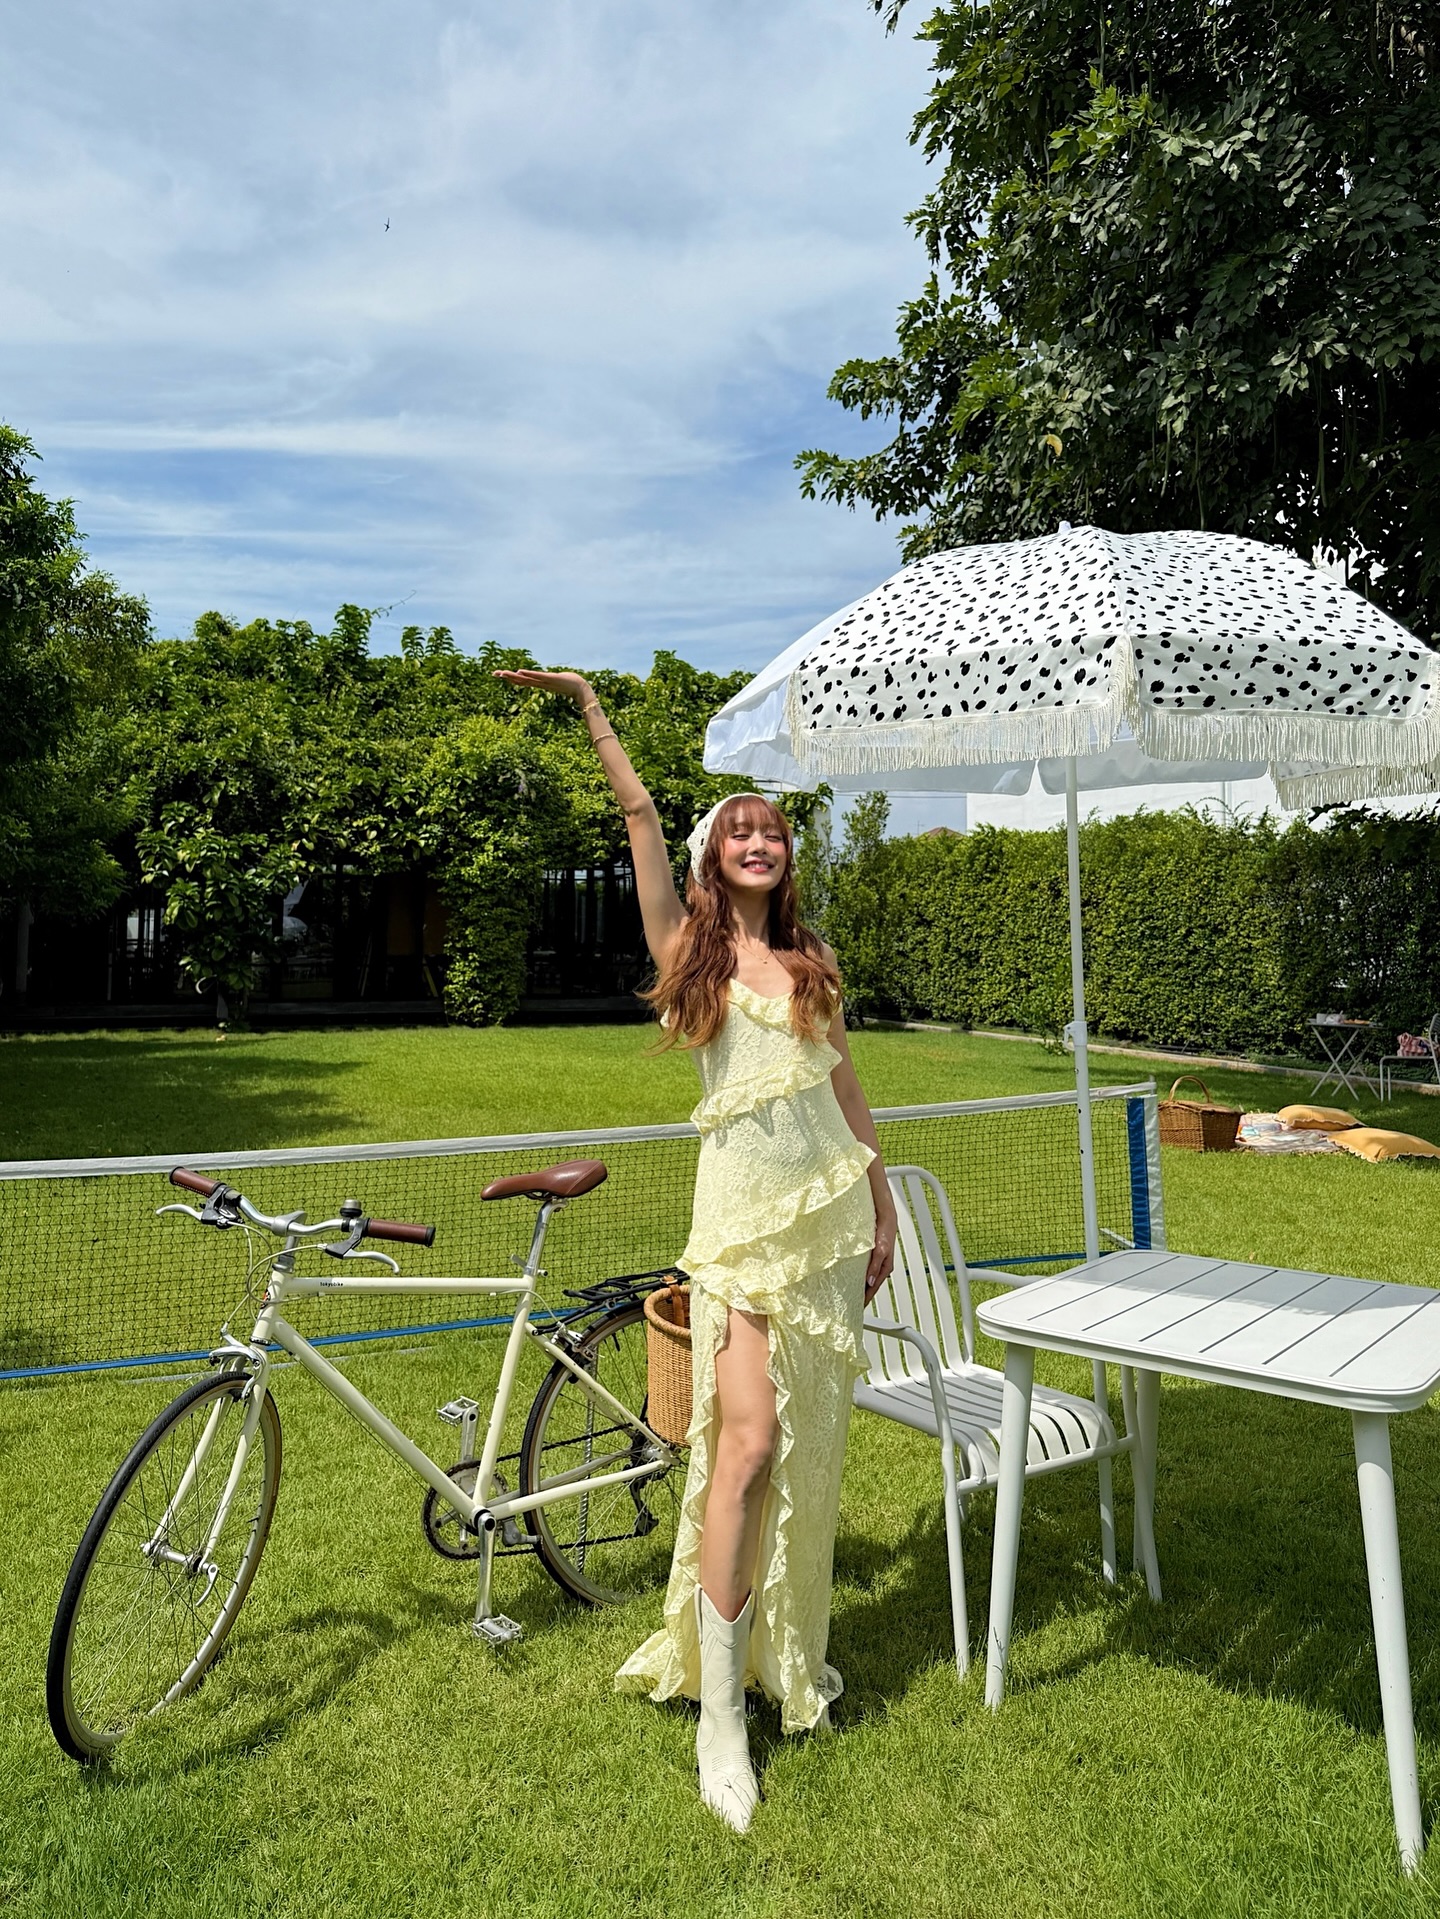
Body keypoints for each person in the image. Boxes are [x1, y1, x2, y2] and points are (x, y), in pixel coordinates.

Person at [494, 667, 898, 1834]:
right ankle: (720, 1714)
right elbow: (636, 818)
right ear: (714, 855)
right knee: (747, 1441)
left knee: (799, 1455)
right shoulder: (694, 956)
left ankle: (778, 1655)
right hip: (735, 1235)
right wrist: (591, 710)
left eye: (773, 830)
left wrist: (881, 1208)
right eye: (739, 830)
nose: (759, 840)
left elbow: (848, 1093)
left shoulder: (813, 963)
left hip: (825, 1234)